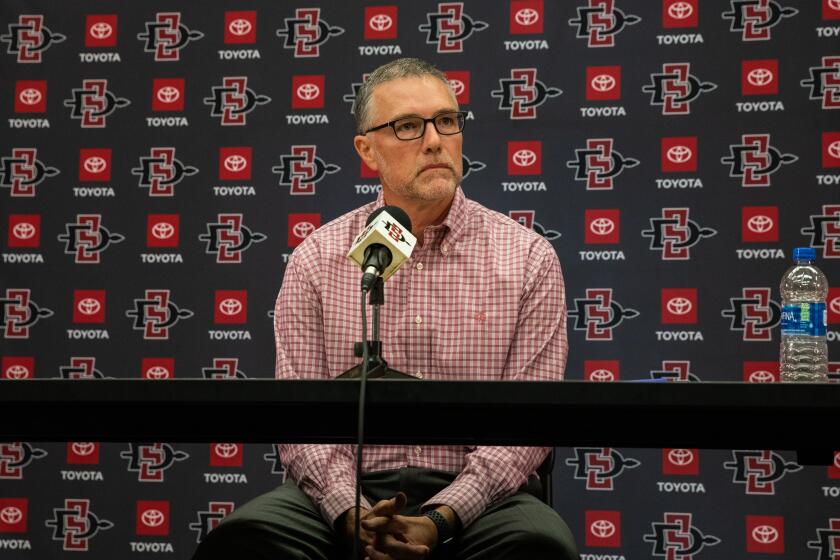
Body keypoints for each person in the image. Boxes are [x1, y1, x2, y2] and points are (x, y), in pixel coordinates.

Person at [193, 58, 576, 560]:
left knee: (537, 547)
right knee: (245, 543)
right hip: (342, 490)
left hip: (481, 499)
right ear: (367, 149)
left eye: (447, 120)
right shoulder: (317, 258)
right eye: (408, 127)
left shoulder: (528, 258)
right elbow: (300, 424)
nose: (436, 140)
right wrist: (349, 511)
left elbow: (527, 429)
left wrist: (440, 518)